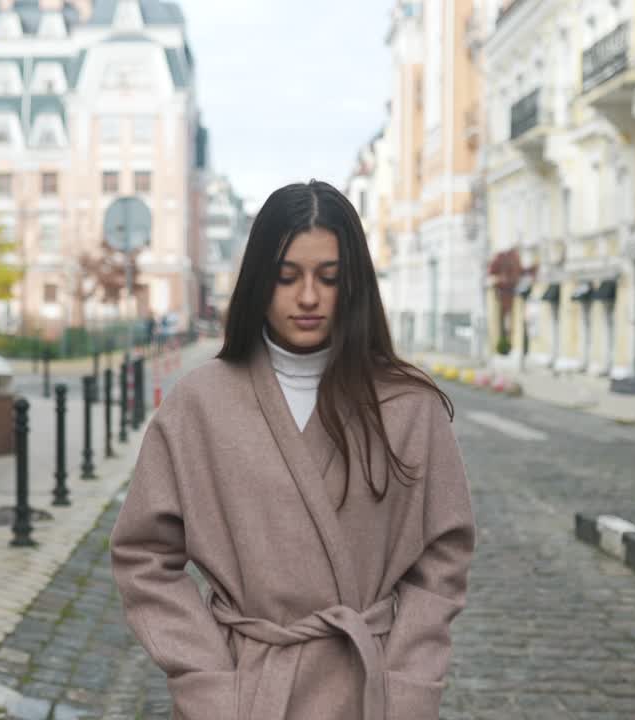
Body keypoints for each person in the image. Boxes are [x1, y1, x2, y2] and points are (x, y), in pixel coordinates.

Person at [110, 180, 476, 720]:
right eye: (287, 277)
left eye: (329, 278)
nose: (308, 297)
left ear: (355, 285)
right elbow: (144, 555)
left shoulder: (407, 406)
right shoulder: (200, 403)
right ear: (259, 280)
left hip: (367, 695)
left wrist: (408, 686)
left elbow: (441, 563)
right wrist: (208, 682)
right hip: (245, 692)